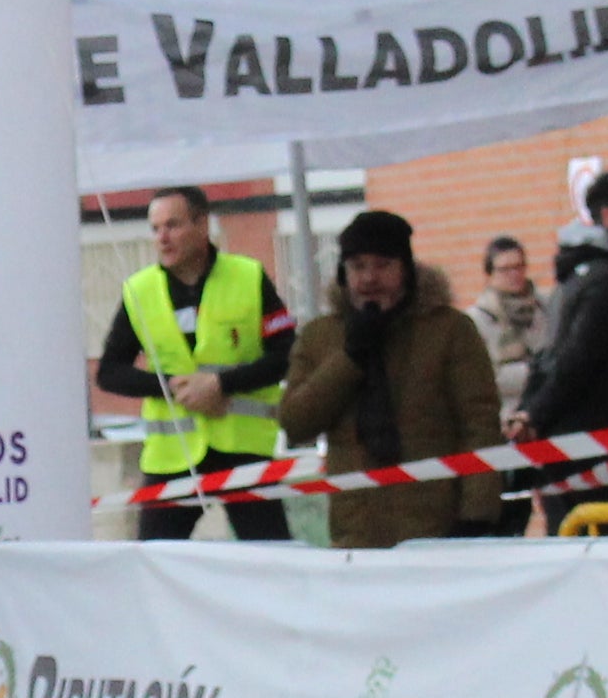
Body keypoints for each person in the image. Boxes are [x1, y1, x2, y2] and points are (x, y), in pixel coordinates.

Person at [274, 209, 505, 549]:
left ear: (406, 270)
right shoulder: (321, 337)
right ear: (343, 273)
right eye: (358, 267)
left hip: (437, 527)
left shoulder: (449, 330)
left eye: (382, 265)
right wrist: (350, 358)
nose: (369, 278)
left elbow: (480, 425)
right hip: (356, 531)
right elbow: (296, 423)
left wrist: (477, 515)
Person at [90, 184, 294, 541]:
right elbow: (110, 373)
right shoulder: (140, 290)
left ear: (202, 225)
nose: (162, 238)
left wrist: (220, 385)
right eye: (155, 229)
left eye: (173, 225)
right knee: (154, 562)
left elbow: (287, 356)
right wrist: (172, 386)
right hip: (173, 456)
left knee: (272, 557)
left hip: (242, 448)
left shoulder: (248, 276)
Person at [514, 165, 608, 520]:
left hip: (567, 446)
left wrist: (531, 413)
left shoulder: (578, 278)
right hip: (586, 451)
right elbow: (578, 359)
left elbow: (553, 355)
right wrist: (533, 414)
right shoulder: (607, 285)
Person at [470, 232, 545, 424]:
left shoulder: (544, 307)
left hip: (545, 412)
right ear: (489, 274)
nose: (514, 275)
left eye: (519, 267)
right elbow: (485, 377)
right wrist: (536, 371)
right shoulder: (479, 319)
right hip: (506, 418)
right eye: (505, 269)